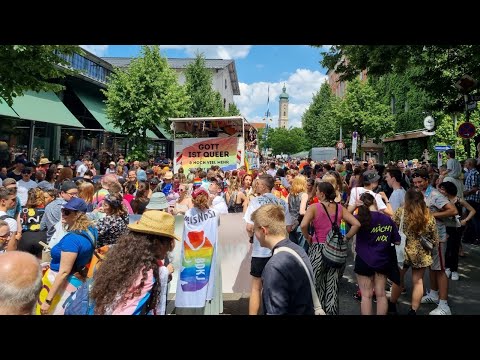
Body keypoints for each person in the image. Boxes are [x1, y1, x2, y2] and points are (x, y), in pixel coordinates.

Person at [90, 211, 177, 315]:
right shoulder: (147, 273)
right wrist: (165, 272)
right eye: (169, 242)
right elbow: (130, 309)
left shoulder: (122, 259)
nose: (169, 248)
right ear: (158, 244)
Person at [300, 182, 360, 315]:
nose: (315, 193)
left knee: (316, 285)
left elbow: (303, 225)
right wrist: (346, 238)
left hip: (318, 249)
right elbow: (356, 224)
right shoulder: (340, 208)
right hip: (335, 250)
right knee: (332, 285)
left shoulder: (314, 207)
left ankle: (317, 311)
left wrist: (308, 237)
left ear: (322, 193)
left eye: (317, 191)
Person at [37, 197, 97, 315]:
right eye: (63, 210)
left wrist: (48, 301)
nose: (63, 214)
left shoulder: (72, 240)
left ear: (78, 215)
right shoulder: (91, 230)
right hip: (76, 281)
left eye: (67, 212)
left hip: (61, 285)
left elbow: (64, 272)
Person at [251, 204, 315, 315]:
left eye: (254, 230)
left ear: (263, 230)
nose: (253, 235)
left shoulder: (274, 266)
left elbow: (275, 311)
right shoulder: (298, 250)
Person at [244, 174, 293, 315]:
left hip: (260, 251)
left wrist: (252, 237)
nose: (256, 185)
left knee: (256, 287)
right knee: (277, 286)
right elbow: (289, 227)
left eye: (258, 183)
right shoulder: (281, 202)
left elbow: (249, 226)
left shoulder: (256, 202)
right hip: (280, 249)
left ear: (264, 186)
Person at [389, 189, 439, 315]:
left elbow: (392, 228)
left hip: (403, 251)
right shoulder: (428, 215)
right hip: (421, 253)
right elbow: (434, 238)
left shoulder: (401, 212)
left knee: (398, 279)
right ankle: (413, 311)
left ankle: (392, 305)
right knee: (418, 281)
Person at [175, 188, 223, 315]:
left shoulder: (188, 214)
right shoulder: (215, 213)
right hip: (207, 253)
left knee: (191, 283)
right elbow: (216, 225)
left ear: (193, 200)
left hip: (191, 253)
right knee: (206, 284)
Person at [354, 193, 400, 315]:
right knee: (381, 294)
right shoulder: (387, 219)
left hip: (363, 259)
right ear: (375, 203)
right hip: (382, 259)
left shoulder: (359, 219)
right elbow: (397, 240)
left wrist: (354, 207)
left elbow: (345, 224)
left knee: (366, 295)